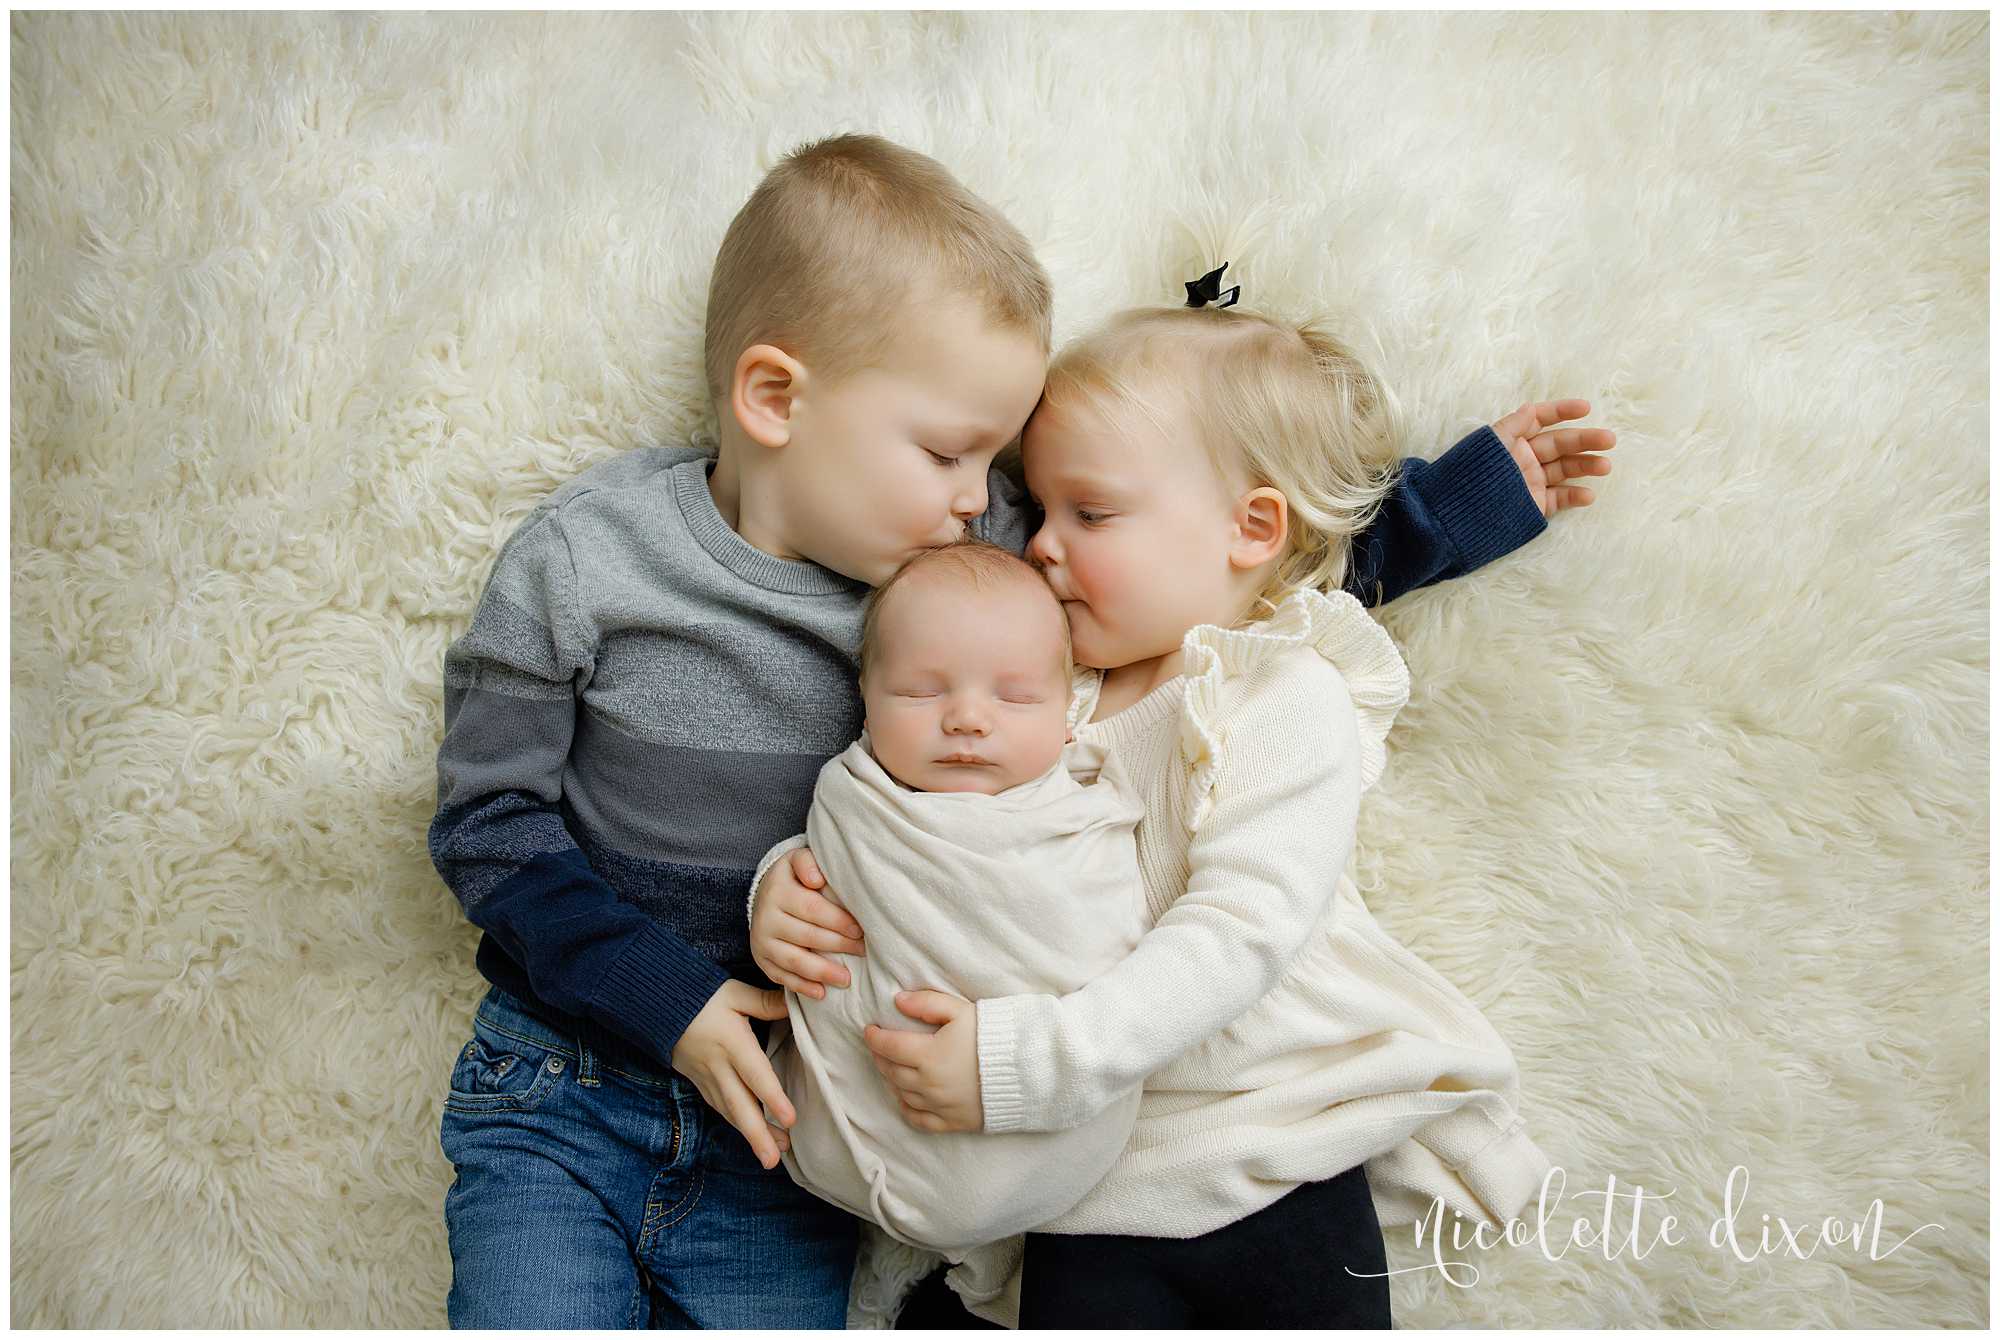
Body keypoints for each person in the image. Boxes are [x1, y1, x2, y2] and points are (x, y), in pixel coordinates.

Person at [430, 129, 1609, 1328]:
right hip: (585, 1069)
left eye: (1004, 471)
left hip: (829, 1115)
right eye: (956, 455)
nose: (988, 506)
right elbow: (489, 822)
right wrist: (710, 948)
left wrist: (1454, 505)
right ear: (774, 397)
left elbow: (1221, 562)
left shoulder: (992, 573)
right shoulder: (594, 565)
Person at [758, 294, 1611, 1328]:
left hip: (1271, 1143)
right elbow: (918, 836)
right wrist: (790, 887)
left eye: (1089, 514)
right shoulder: (1041, 690)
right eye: (1039, 512)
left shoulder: (1278, 690)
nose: (1039, 547)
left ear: (1250, 529)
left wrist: (1035, 1061)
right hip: (1086, 1185)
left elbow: (1244, 927)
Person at [752, 541, 1153, 1260]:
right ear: (866, 698)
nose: (967, 718)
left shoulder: (1084, 821)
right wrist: (774, 885)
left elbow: (1113, 953)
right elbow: (820, 873)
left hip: (1042, 1140)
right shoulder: (854, 798)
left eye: (1015, 696)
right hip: (824, 1142)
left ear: (1068, 714)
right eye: (920, 692)